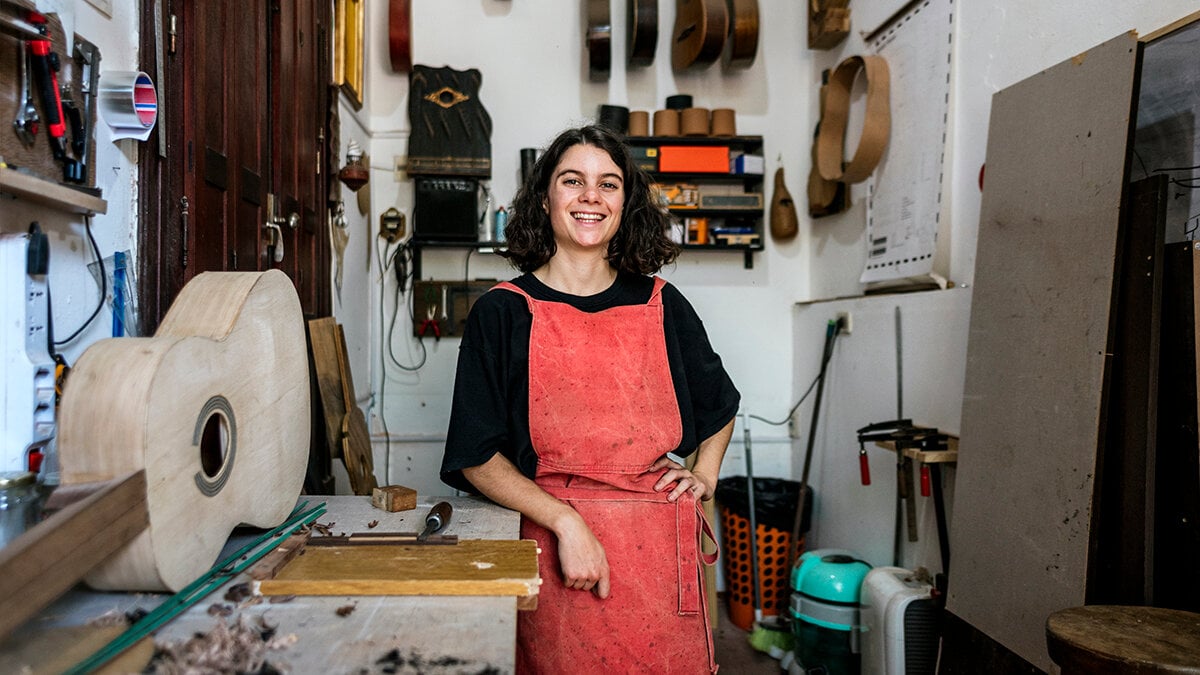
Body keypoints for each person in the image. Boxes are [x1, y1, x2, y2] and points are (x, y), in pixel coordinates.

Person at [440, 125, 740, 674]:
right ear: (545, 198)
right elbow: (476, 456)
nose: (590, 197)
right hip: (554, 549)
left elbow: (720, 403)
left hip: (657, 557)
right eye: (572, 180)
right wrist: (566, 522)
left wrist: (707, 474)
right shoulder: (502, 312)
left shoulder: (662, 302)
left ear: (626, 203)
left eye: (609, 184)